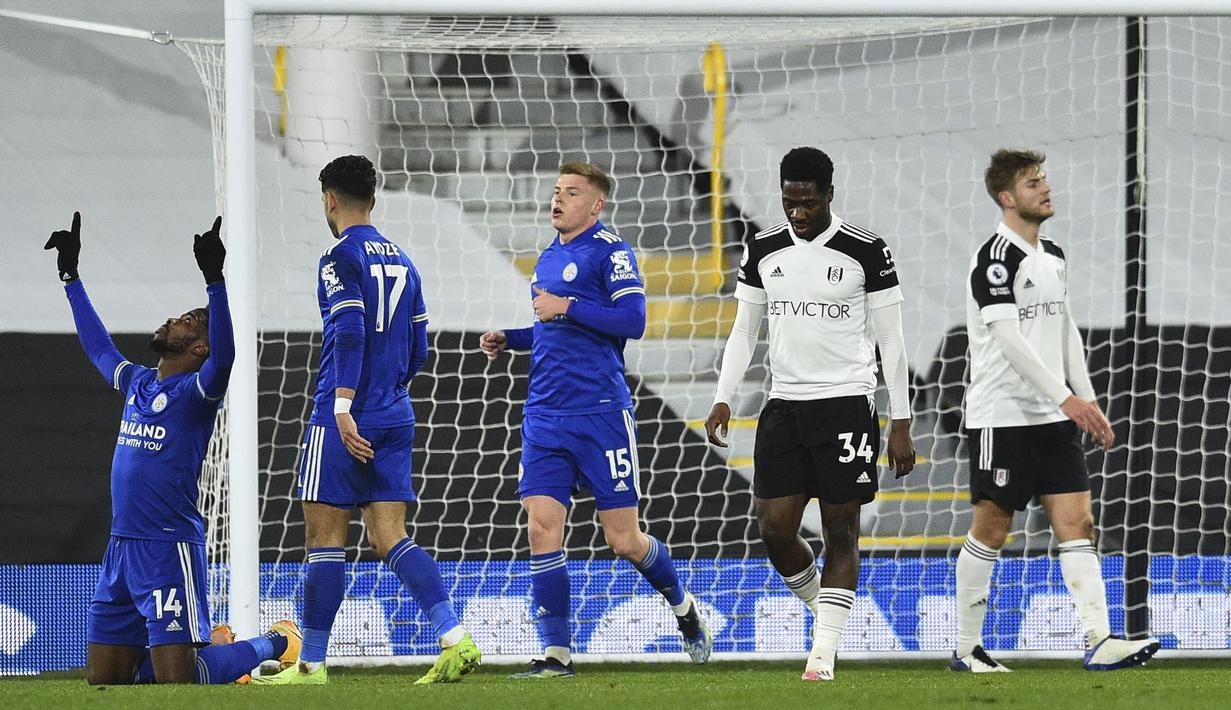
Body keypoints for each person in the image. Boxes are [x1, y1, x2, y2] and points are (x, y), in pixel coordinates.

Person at [44, 212, 301, 684]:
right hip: (121, 547)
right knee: (105, 681)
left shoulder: (196, 394)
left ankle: (278, 641)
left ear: (199, 348)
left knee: (178, 684)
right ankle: (216, 647)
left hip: (167, 546)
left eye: (185, 322)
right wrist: (71, 277)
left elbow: (226, 356)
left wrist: (215, 280)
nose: (171, 321)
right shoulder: (139, 382)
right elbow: (100, 348)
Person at [480, 162, 712, 678]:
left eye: (572, 192)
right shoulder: (549, 256)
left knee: (623, 541)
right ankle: (557, 655)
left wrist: (565, 305)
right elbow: (551, 330)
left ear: (596, 204)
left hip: (601, 414)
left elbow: (633, 321)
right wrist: (510, 338)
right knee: (541, 530)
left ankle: (683, 607)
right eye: (556, 191)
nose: (558, 199)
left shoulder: (612, 252)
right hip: (545, 415)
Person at [255, 155, 480, 686]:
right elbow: (420, 347)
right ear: (373, 200)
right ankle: (455, 637)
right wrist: (388, 391)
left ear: (330, 200)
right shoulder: (404, 261)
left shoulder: (339, 257)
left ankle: (311, 664)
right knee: (390, 536)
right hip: (395, 413)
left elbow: (351, 330)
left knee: (324, 539)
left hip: (344, 418)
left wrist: (343, 406)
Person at [705, 146, 915, 682]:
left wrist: (901, 420)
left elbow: (892, 340)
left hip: (846, 403)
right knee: (774, 529)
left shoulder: (866, 250)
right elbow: (744, 330)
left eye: (808, 203)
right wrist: (723, 395)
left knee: (841, 531)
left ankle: (821, 655)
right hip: (784, 407)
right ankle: (829, 617)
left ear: (829, 194)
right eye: (789, 202)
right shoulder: (764, 248)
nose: (797, 213)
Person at [952, 149, 1161, 672]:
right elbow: (1009, 341)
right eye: (1032, 183)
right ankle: (966, 649)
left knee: (1079, 522)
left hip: (1052, 417)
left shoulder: (1054, 255)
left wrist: (1086, 398)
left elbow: (1065, 329)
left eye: (1043, 180)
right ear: (1006, 197)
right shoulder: (993, 260)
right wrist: (1065, 398)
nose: (1045, 189)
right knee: (991, 529)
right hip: (1002, 416)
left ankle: (1100, 639)